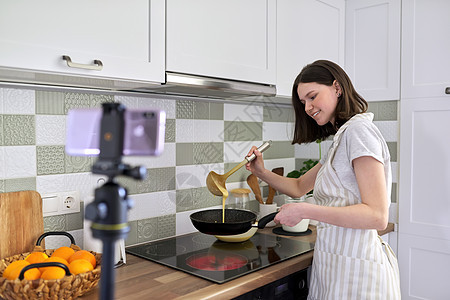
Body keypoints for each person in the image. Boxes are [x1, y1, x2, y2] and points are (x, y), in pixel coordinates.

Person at [246, 60, 401, 299]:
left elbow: (377, 216)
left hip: (359, 275)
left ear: (337, 88)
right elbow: (299, 187)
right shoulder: (341, 139)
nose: (307, 107)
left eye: (312, 96)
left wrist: (307, 210)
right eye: (303, 102)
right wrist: (261, 172)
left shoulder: (359, 132)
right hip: (336, 266)